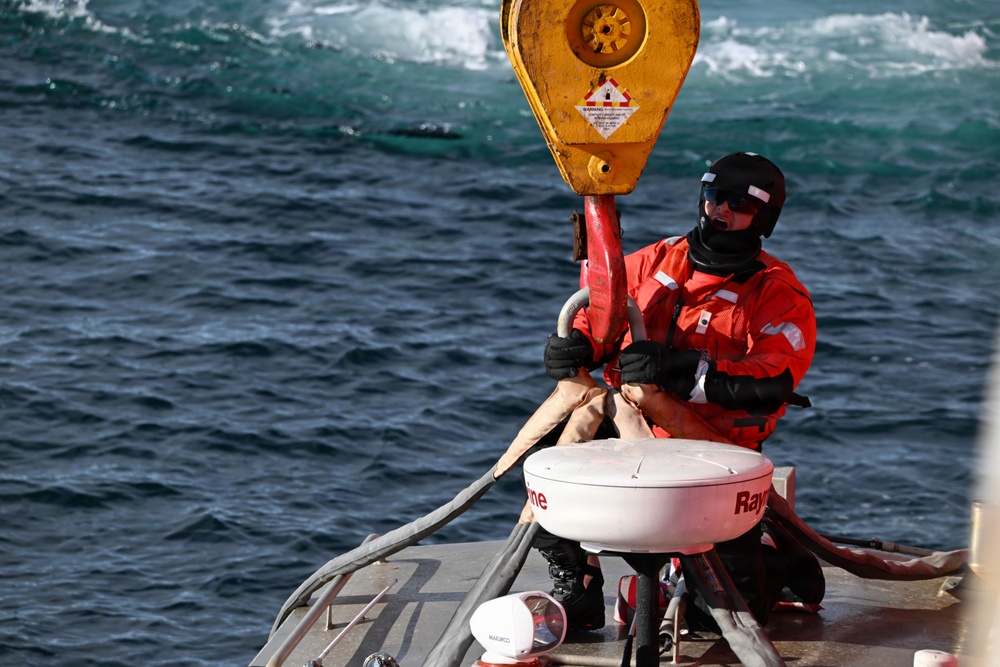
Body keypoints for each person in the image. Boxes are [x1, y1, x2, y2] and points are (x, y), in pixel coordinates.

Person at [536, 152, 823, 631]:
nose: (720, 210)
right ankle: (578, 585)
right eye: (713, 196)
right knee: (550, 456)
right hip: (629, 433)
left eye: (739, 204)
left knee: (728, 619)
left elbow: (773, 380)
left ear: (764, 218)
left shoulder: (778, 292)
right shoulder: (653, 261)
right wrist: (576, 346)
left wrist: (679, 372)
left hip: (713, 456)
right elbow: (600, 313)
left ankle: (779, 563)